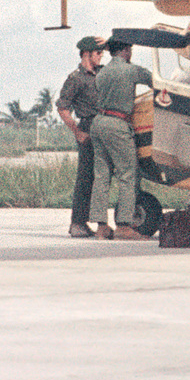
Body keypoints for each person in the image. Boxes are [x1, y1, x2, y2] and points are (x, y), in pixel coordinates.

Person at [87, 37, 156, 241]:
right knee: (128, 173)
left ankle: (101, 226)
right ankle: (124, 225)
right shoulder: (131, 70)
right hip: (118, 124)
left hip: (98, 123)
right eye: (130, 49)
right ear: (126, 50)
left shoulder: (102, 73)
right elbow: (156, 81)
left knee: (101, 175)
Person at [56, 35, 107, 238]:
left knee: (101, 177)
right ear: (86, 54)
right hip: (88, 126)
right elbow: (62, 108)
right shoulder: (75, 78)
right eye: (98, 53)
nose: (101, 56)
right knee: (86, 177)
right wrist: (77, 132)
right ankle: (78, 223)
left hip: (104, 126)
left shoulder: (102, 74)